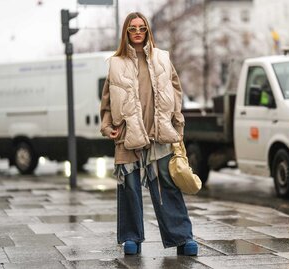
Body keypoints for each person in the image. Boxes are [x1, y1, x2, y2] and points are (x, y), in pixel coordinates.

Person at [99, 12, 198, 256]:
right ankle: (131, 237)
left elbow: (176, 91)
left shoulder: (162, 58)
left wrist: (177, 122)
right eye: (132, 28)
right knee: (129, 186)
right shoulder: (115, 63)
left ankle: (182, 237)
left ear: (147, 31)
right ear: (126, 32)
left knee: (167, 184)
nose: (137, 32)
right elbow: (107, 99)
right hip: (127, 134)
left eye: (141, 28)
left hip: (159, 132)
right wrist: (107, 124)